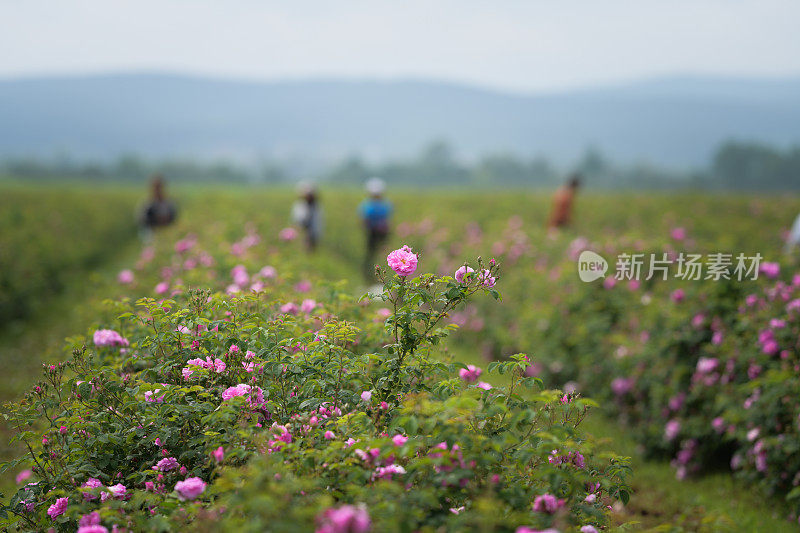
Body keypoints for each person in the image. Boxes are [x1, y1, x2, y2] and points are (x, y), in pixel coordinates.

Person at [359, 177, 392, 280]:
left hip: (381, 232)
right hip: (372, 232)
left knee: (382, 252)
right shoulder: (368, 204)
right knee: (372, 252)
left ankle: (381, 272)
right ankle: (370, 274)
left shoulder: (382, 204)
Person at [138, 174, 177, 241]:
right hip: (152, 235)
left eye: (159, 187)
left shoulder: (169, 203)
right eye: (156, 187)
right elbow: (142, 220)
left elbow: (174, 217)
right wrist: (156, 220)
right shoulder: (147, 204)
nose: (158, 190)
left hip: (167, 234)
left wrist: (166, 220)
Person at [291, 182, 323, 252]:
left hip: (313, 232)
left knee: (311, 249)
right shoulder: (299, 205)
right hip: (302, 230)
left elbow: (318, 222)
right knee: (303, 248)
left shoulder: (316, 206)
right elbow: (298, 219)